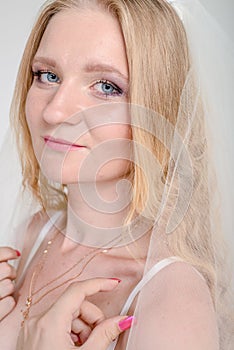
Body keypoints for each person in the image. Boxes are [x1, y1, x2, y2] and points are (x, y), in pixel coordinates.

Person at [0, 0, 233, 349]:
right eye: (47, 75)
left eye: (107, 86)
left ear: (160, 111)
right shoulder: (34, 234)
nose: (55, 110)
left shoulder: (171, 299)